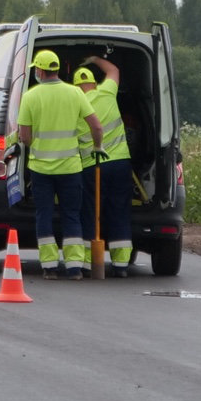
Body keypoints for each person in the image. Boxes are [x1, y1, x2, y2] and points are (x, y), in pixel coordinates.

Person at [15, 48, 102, 279]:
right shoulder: (75, 93)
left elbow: (24, 137)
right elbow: (96, 126)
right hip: (70, 168)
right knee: (71, 215)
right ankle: (74, 267)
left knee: (44, 214)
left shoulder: (30, 97)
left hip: (41, 168)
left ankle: (50, 266)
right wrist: (97, 147)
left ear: (40, 71)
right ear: (57, 70)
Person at [75, 59, 135, 276]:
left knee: (90, 212)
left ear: (76, 88)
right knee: (119, 210)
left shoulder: (76, 106)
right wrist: (94, 59)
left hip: (92, 167)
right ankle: (121, 266)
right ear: (94, 82)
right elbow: (114, 69)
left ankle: (87, 262)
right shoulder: (107, 92)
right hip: (119, 163)